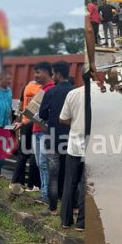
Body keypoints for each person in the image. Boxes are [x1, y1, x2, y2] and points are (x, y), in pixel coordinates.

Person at [39, 61, 74, 215]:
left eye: (53, 74)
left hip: (53, 139)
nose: (53, 77)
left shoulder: (51, 92)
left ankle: (53, 208)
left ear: (58, 74)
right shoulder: (75, 92)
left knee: (53, 175)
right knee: (70, 175)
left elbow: (42, 115)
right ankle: (73, 207)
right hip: (70, 139)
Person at [59, 85, 86, 231]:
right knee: (86, 186)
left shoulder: (73, 94)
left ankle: (66, 221)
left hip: (74, 146)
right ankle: (81, 224)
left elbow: (63, 119)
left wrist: (75, 123)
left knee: (70, 183)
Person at [10, 81, 41, 191]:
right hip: (36, 125)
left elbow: (20, 106)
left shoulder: (27, 87)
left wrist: (20, 120)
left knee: (22, 154)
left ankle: (16, 181)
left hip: (25, 123)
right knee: (34, 154)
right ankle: (32, 185)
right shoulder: (43, 89)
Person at [32, 62, 55, 204]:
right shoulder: (42, 89)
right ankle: (44, 192)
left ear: (47, 72)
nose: (35, 76)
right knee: (40, 164)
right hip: (37, 130)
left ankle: (46, 195)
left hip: (45, 131)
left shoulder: (51, 90)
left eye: (38, 72)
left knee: (44, 163)